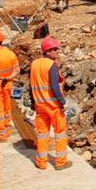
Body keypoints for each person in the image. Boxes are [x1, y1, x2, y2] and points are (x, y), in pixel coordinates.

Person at [28, 37, 71, 170]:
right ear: (47, 52)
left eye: (57, 48)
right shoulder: (51, 65)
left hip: (40, 106)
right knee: (60, 133)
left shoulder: (34, 64)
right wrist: (63, 102)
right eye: (54, 49)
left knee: (42, 134)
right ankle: (60, 162)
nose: (57, 51)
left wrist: (33, 102)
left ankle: (41, 162)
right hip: (53, 106)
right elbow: (54, 86)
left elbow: (32, 85)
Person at [0, 28, 20, 141]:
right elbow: (17, 70)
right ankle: (8, 127)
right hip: (8, 85)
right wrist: (9, 77)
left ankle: (1, 132)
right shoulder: (10, 54)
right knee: (7, 106)